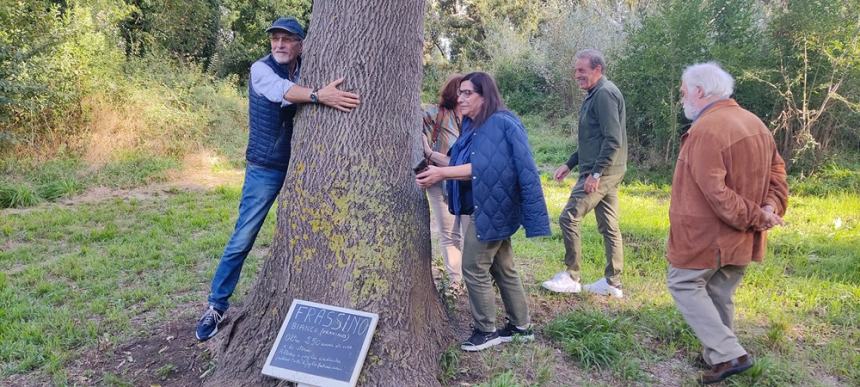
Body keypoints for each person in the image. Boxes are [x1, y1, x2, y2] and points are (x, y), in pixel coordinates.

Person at [195, 16, 360, 341]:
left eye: (287, 40)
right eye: (275, 39)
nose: (280, 45)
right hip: (266, 167)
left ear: (301, 44)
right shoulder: (262, 70)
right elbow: (282, 92)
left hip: (304, 166)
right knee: (244, 236)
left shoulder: (307, 68)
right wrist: (318, 95)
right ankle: (216, 305)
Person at [667, 62, 788, 384]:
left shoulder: (707, 130)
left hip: (707, 238)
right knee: (719, 290)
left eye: (683, 92)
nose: (682, 98)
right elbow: (779, 175)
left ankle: (730, 353)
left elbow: (716, 192)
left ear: (700, 92)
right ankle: (718, 355)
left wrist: (758, 214)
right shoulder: (754, 123)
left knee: (684, 283)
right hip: (741, 238)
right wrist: (767, 208)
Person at [416, 72, 550, 352]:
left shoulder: (497, 123)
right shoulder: (476, 125)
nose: (460, 98)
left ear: (484, 96)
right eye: (460, 93)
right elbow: (460, 162)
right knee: (504, 268)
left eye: (467, 94)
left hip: (492, 208)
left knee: (473, 267)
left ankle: (486, 330)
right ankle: (521, 327)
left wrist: (442, 174)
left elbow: (487, 169)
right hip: (491, 205)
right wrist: (431, 156)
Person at [541, 49, 628, 298]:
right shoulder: (594, 94)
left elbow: (613, 140)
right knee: (609, 225)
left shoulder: (604, 94)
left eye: (582, 70)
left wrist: (596, 174)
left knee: (569, 217)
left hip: (603, 170)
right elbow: (593, 138)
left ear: (597, 69)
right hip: (608, 168)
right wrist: (570, 164)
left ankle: (571, 276)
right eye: (575, 70)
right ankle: (613, 283)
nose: (576, 75)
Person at [421, 74, 466, 293]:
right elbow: (406, 115)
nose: (467, 95)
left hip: (465, 181)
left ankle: (474, 276)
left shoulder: (474, 118)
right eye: (463, 91)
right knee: (449, 232)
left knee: (470, 230)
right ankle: (455, 281)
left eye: (470, 91)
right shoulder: (435, 113)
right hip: (439, 180)